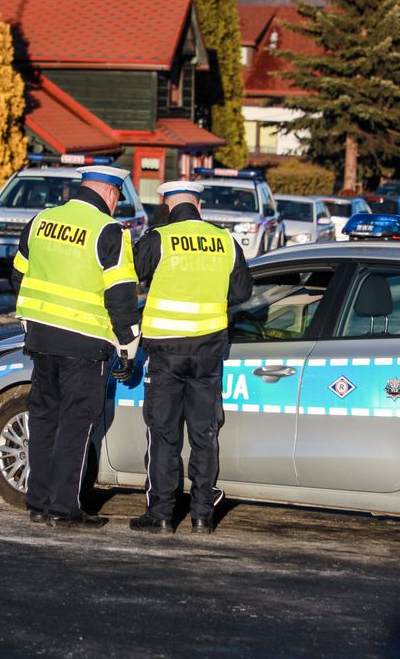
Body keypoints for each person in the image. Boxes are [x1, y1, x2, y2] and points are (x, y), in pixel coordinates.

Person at [12, 165, 141, 529]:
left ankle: (37, 503)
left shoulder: (42, 220)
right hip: (84, 346)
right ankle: (63, 509)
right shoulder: (108, 230)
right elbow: (120, 295)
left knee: (43, 420)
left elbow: (17, 273)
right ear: (111, 193)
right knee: (74, 426)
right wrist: (128, 344)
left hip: (41, 339)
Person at [128, 180, 253, 535]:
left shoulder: (159, 238)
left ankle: (162, 514)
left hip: (165, 353)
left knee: (164, 433)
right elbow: (243, 292)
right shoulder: (225, 241)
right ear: (199, 205)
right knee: (204, 434)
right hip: (209, 353)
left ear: (168, 204)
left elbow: (132, 275)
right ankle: (202, 515)